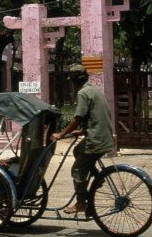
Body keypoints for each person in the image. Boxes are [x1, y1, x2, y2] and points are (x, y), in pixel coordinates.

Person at [51, 69, 114, 214]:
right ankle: (98, 178)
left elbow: (78, 117)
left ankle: (80, 203)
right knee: (77, 150)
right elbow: (94, 116)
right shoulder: (94, 90)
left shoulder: (82, 93)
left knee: (77, 170)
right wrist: (81, 131)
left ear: (74, 81)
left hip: (95, 140)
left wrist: (61, 134)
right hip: (104, 137)